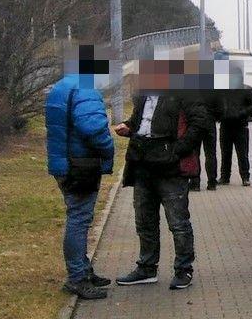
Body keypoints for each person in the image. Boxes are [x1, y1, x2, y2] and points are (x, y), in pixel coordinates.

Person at [113, 56, 212, 290]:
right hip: (142, 161)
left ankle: (183, 269)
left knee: (178, 222)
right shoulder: (144, 94)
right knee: (144, 220)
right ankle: (147, 268)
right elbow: (141, 121)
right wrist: (129, 127)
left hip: (170, 166)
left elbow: (200, 124)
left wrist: (176, 150)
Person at [44, 44, 116, 300]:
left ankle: (83, 270)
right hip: (81, 165)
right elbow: (93, 128)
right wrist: (109, 148)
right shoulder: (85, 88)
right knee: (79, 220)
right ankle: (77, 277)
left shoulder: (60, 87)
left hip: (64, 163)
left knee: (78, 217)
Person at [217, 65, 252, 187]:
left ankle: (245, 177)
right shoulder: (223, 90)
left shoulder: (247, 90)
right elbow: (216, 105)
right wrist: (221, 115)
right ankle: (224, 177)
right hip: (226, 126)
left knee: (242, 153)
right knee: (225, 153)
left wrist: (241, 113)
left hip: (241, 126)